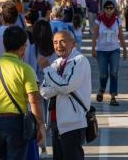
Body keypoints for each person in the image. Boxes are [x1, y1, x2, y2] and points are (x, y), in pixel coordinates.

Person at [0, 26, 44, 159]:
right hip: (15, 122)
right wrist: (39, 125)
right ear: (22, 47)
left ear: (5, 44)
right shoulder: (25, 69)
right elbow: (34, 100)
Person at [39, 30, 92, 160]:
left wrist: (48, 71)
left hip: (72, 122)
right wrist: (60, 86)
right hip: (55, 123)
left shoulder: (80, 61)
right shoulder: (55, 64)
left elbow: (66, 87)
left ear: (73, 43)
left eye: (63, 41)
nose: (59, 45)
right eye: (55, 42)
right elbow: (44, 91)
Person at [28, 20, 58, 158]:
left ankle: (43, 147)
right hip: (51, 87)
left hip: (35, 87)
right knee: (49, 116)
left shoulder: (32, 48)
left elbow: (27, 66)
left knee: (38, 118)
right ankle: (52, 140)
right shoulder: (54, 49)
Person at [92, 0, 128, 106]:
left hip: (114, 50)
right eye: (107, 8)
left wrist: (125, 50)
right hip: (101, 51)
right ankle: (102, 90)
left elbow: (121, 35)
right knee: (103, 74)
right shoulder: (99, 20)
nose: (109, 10)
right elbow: (95, 35)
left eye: (111, 8)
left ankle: (113, 96)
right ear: (104, 9)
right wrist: (93, 49)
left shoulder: (117, 20)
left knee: (114, 72)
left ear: (114, 9)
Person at [0, 1, 31, 66]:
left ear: (1, 17)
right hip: (16, 74)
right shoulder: (24, 36)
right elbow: (26, 61)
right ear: (16, 18)